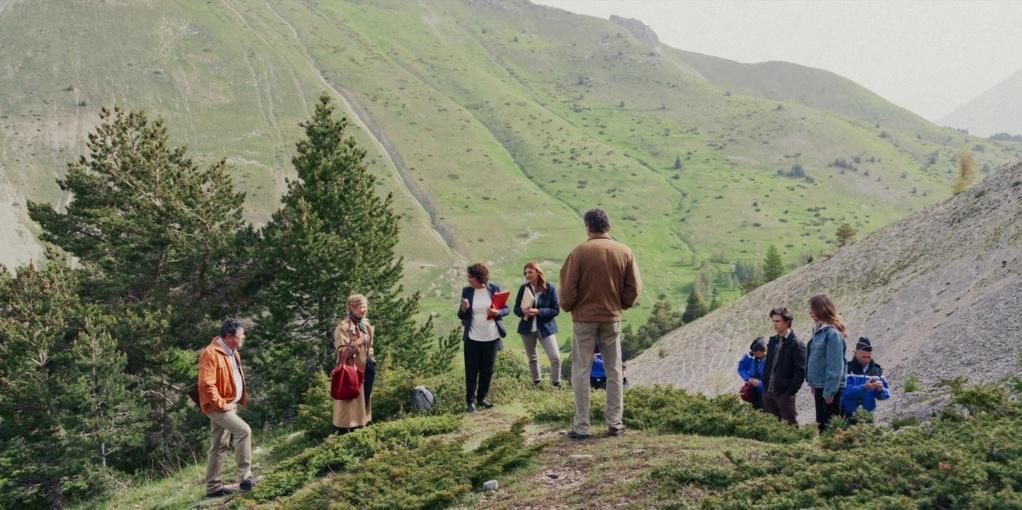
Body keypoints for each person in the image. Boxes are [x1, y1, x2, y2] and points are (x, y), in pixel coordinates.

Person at [560, 207, 642, 439]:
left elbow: (567, 289)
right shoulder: (624, 251)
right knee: (614, 370)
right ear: (608, 226)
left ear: (588, 227)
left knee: (581, 371)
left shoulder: (579, 252)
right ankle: (615, 423)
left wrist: (569, 306)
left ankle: (582, 426)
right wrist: (621, 304)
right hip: (611, 317)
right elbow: (634, 287)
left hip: (584, 319)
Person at [198, 319, 256, 498]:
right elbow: (206, 384)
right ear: (230, 337)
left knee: (218, 446)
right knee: (244, 431)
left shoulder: (232, 351)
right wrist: (222, 405)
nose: (243, 337)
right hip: (218, 407)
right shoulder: (210, 353)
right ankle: (245, 478)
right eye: (241, 335)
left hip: (228, 404)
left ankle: (213, 488)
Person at [457, 263, 510, 413]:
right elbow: (461, 315)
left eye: (471, 276)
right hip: (472, 337)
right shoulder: (467, 291)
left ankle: (481, 399)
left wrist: (497, 312)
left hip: (491, 337)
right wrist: (464, 308)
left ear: (480, 278)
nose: (469, 279)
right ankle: (470, 402)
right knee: (471, 371)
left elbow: (506, 309)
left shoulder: (494, 288)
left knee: (487, 370)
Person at [513, 261, 562, 387]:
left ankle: (556, 384)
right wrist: (523, 311)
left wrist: (538, 312)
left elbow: (555, 310)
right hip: (527, 329)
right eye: (525, 273)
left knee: (555, 357)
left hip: (545, 328)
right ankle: (537, 383)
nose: (527, 275)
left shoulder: (550, 288)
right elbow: (516, 309)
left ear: (538, 272)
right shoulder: (523, 288)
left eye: (530, 272)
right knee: (532, 358)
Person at [805, 294, 849, 432]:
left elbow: (835, 365)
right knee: (822, 424)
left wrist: (829, 391)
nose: (810, 311)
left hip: (829, 388)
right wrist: (815, 384)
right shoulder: (819, 331)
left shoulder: (832, 333)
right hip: (821, 385)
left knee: (830, 427)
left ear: (822, 308)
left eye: (813, 308)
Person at [333, 294, 375, 434]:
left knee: (364, 401)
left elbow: (370, 345)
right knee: (350, 403)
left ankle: (362, 430)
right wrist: (359, 342)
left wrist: (371, 357)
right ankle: (346, 431)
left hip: (366, 368)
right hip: (351, 372)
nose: (364, 310)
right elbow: (342, 353)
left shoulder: (365, 324)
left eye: (365, 306)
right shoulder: (343, 328)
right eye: (361, 307)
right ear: (352, 308)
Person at [761, 307, 806, 426]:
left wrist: (789, 392)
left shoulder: (797, 344)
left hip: (784, 394)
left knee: (790, 427)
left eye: (778, 321)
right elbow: (769, 366)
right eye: (773, 321)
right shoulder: (772, 341)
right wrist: (765, 386)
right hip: (768, 392)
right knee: (770, 427)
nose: (774, 324)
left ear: (787, 322)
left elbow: (800, 372)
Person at [840, 337, 890, 418]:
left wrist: (881, 390)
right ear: (855, 354)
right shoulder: (846, 369)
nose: (866, 360)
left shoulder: (876, 370)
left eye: (869, 357)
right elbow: (844, 392)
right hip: (847, 414)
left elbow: (886, 395)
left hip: (868, 415)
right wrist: (864, 387)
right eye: (863, 357)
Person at [737, 337, 767, 410]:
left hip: (768, 394)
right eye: (754, 353)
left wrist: (760, 384)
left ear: (765, 350)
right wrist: (748, 378)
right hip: (754, 392)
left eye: (757, 354)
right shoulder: (751, 357)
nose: (755, 355)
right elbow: (741, 368)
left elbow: (777, 381)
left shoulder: (774, 360)